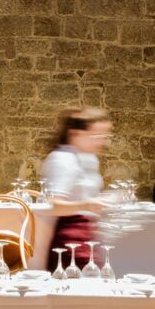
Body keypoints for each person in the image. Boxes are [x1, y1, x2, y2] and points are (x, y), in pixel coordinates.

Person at [41, 107, 112, 272]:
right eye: (97, 136)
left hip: (87, 237)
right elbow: (53, 206)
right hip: (71, 241)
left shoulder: (85, 158)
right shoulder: (62, 159)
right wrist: (86, 205)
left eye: (105, 136)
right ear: (75, 134)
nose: (103, 142)